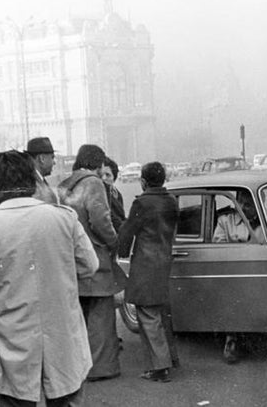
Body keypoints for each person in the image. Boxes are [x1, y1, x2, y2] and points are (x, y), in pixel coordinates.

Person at [0, 150, 98, 407]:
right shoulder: (64, 217)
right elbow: (89, 265)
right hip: (63, 335)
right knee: (67, 397)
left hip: (8, 341)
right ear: (33, 184)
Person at [58, 144, 127, 381]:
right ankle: (101, 368)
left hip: (70, 260)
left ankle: (79, 368)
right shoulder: (93, 183)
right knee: (101, 317)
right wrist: (114, 242)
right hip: (96, 260)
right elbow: (101, 220)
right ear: (97, 163)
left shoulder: (64, 185)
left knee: (79, 317)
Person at [118, 162, 179, 382]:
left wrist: (121, 250)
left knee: (147, 315)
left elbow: (128, 231)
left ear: (143, 181)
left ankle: (159, 367)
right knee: (161, 313)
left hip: (145, 264)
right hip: (164, 261)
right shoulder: (171, 201)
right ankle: (170, 359)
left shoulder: (141, 203)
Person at [212, 190, 262, 364]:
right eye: (241, 203)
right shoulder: (225, 220)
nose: (244, 208)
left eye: (249, 204)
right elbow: (218, 247)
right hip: (233, 270)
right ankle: (231, 340)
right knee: (233, 291)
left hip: (259, 269)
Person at [26, 136, 58, 204]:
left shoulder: (37, 181)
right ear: (42, 158)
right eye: (52, 157)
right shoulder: (34, 186)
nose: (54, 162)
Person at [100, 156, 126, 231]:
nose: (104, 178)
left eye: (107, 175)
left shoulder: (117, 194)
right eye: (101, 175)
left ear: (114, 178)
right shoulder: (98, 196)